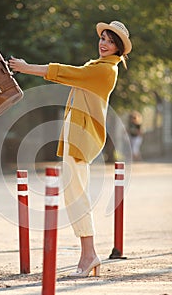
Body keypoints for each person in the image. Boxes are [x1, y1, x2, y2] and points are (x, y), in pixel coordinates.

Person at [9, 20, 132, 277]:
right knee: (73, 192)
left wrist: (25, 67)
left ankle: (89, 254)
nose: (103, 43)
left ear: (119, 48)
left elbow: (64, 72)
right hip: (75, 136)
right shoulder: (96, 66)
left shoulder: (105, 71)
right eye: (103, 38)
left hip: (82, 138)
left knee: (76, 194)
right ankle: (89, 254)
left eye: (110, 41)